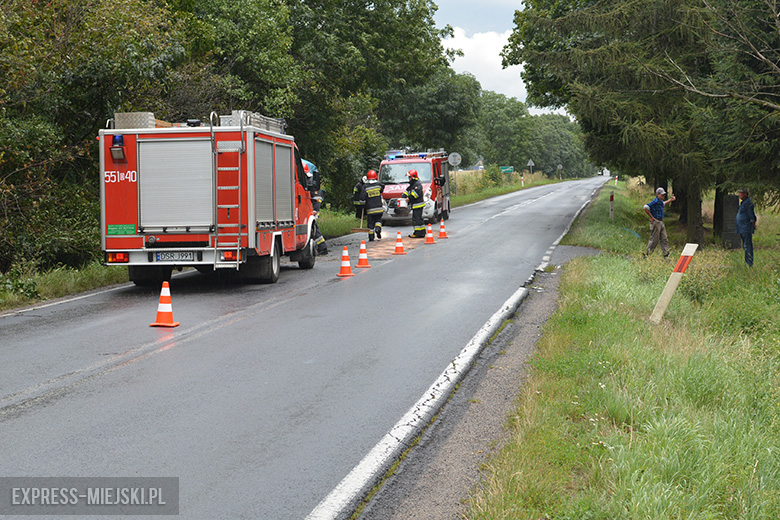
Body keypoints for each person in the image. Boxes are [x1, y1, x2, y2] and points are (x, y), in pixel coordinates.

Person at [302, 160, 328, 255]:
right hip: (311, 208)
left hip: (313, 208)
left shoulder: (313, 186)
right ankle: (321, 247)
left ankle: (322, 248)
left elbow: (317, 199)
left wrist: (315, 210)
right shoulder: (311, 182)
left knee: (314, 228)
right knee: (314, 228)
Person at [643, 187, 676, 257]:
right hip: (656, 222)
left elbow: (664, 204)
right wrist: (652, 217)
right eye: (662, 195)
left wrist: (671, 200)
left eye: (664, 195)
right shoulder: (655, 201)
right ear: (658, 195)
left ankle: (666, 255)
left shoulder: (660, 202)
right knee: (655, 239)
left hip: (661, 222)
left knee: (664, 238)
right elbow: (645, 207)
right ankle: (647, 254)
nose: (663, 196)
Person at [736, 188, 758, 266]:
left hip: (746, 227)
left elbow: (751, 215)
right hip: (742, 227)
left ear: (745, 194)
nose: (739, 194)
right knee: (745, 245)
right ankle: (747, 262)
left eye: (740, 193)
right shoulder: (744, 203)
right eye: (739, 193)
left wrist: (753, 223)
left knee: (747, 245)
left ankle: (749, 263)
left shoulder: (748, 203)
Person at [362, 169, 384, 241]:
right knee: (378, 220)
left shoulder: (365, 187)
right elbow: (382, 188)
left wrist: (362, 205)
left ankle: (371, 237)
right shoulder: (379, 185)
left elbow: (362, 198)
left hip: (370, 209)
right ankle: (378, 229)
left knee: (370, 224)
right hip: (379, 208)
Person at [404, 169, 426, 238]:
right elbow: (407, 191)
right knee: (419, 218)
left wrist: (409, 198)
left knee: (416, 219)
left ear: (413, 177)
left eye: (409, 177)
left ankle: (417, 233)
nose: (409, 179)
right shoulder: (412, 184)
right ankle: (422, 232)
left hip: (418, 205)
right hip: (415, 205)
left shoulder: (417, 184)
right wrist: (403, 195)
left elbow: (415, 194)